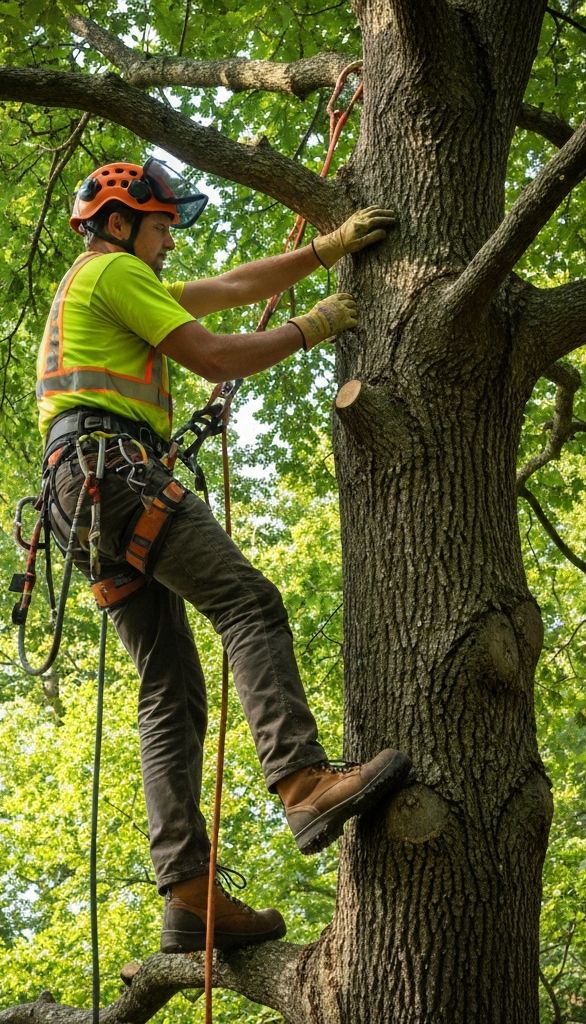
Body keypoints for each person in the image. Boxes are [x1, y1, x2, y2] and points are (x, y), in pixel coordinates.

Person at [36, 157, 410, 953]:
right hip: (114, 473)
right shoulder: (111, 274)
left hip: (81, 498)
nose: (170, 241)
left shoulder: (112, 284)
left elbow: (237, 285)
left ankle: (188, 892)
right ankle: (303, 782)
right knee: (247, 602)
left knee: (168, 688)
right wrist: (316, 324)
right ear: (117, 222)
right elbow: (215, 355)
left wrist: (331, 244)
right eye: (162, 225)